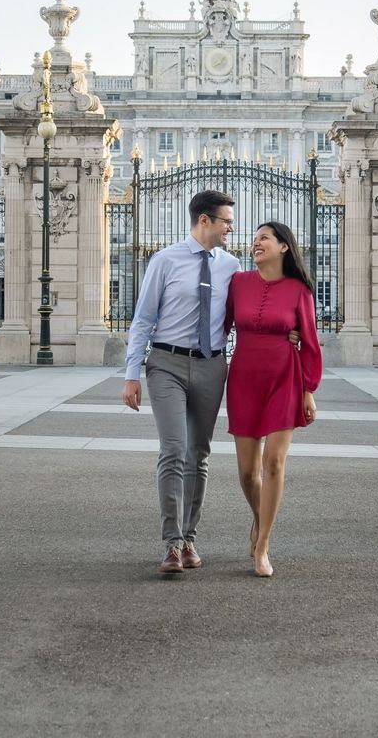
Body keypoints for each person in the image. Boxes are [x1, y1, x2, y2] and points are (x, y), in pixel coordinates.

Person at [122, 190, 240, 575]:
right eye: (226, 221)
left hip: (211, 366)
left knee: (198, 453)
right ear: (204, 220)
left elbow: (244, 316)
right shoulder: (165, 260)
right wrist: (131, 374)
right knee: (173, 449)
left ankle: (190, 537)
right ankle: (171, 543)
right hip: (167, 364)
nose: (231, 228)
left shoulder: (231, 266)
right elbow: (143, 319)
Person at [224, 221, 323, 578]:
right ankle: (258, 516)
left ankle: (263, 544)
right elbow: (219, 326)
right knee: (248, 472)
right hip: (244, 379)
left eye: (263, 238)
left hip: (284, 379)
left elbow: (309, 342)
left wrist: (308, 390)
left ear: (283, 246)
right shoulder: (238, 283)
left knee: (275, 462)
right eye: (254, 239)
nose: (256, 243)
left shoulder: (299, 290)